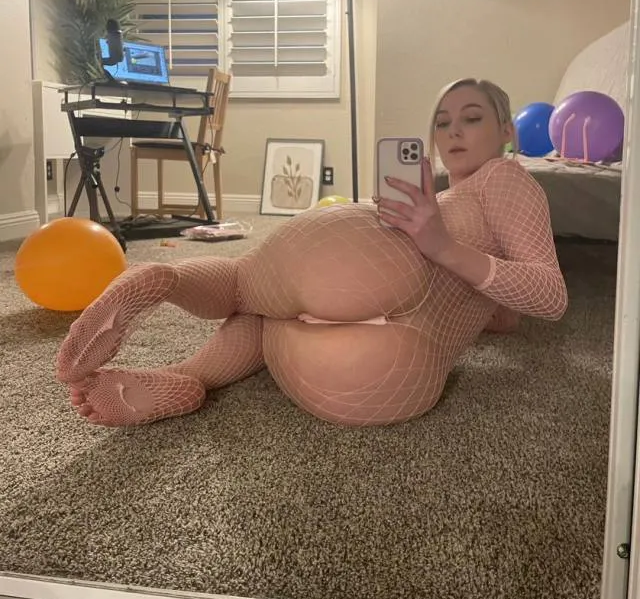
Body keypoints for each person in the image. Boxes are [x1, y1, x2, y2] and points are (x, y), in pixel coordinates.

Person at [56, 78, 568, 428]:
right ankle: (184, 379)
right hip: (385, 377)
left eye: (472, 118)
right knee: (268, 318)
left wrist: (441, 246)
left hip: (358, 281)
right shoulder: (453, 199)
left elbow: (549, 296)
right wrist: (452, 256)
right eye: (441, 122)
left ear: (508, 132)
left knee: (250, 293)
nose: (453, 130)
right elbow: (512, 304)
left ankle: (169, 289)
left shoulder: (505, 175)